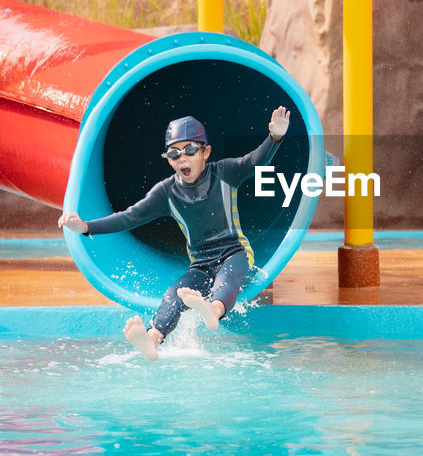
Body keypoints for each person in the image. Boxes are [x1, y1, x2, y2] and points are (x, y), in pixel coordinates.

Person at [58, 107, 290, 360]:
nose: (182, 158)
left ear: (205, 152)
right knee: (174, 294)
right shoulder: (166, 192)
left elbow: (255, 160)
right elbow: (129, 216)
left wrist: (275, 137)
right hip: (200, 264)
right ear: (168, 159)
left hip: (235, 252)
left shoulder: (224, 173)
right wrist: (87, 227)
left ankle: (213, 310)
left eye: (190, 150)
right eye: (174, 153)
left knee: (228, 277)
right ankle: (153, 338)